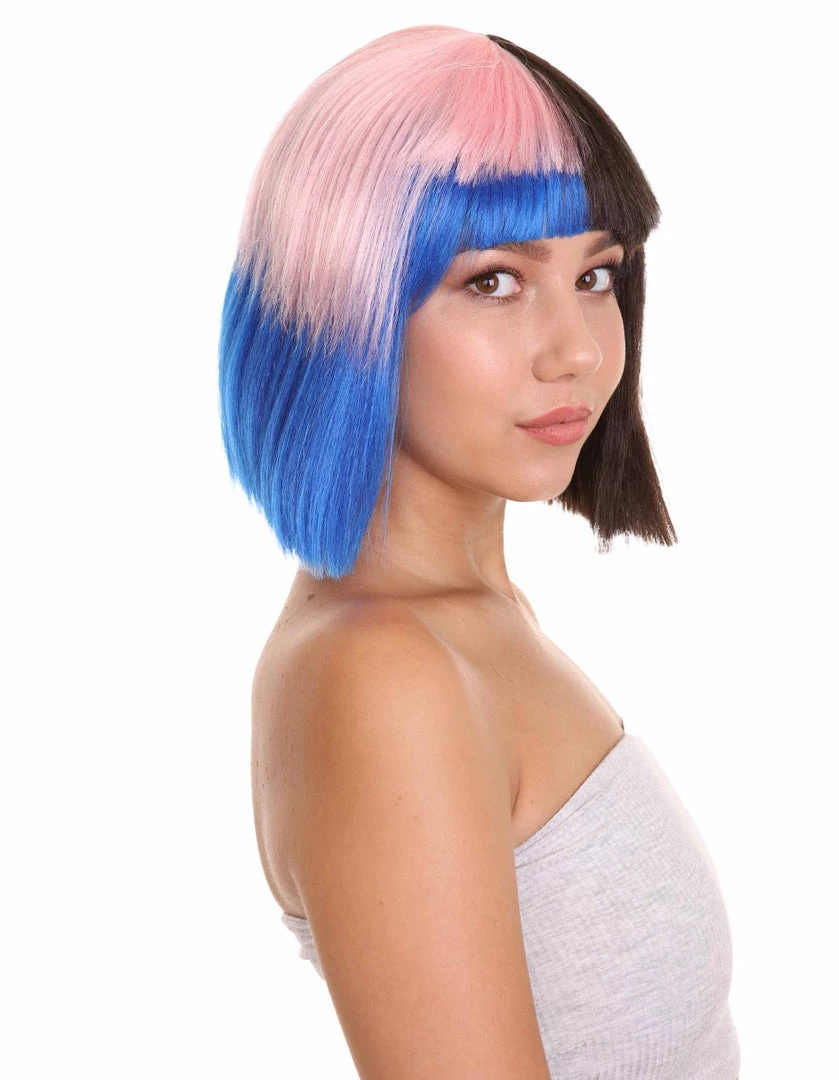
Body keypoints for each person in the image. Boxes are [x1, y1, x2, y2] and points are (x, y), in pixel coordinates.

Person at [219, 24, 741, 1080]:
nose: (577, 349)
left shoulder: (476, 619)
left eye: (596, 275)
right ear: (344, 307)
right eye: (493, 282)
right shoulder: (384, 674)